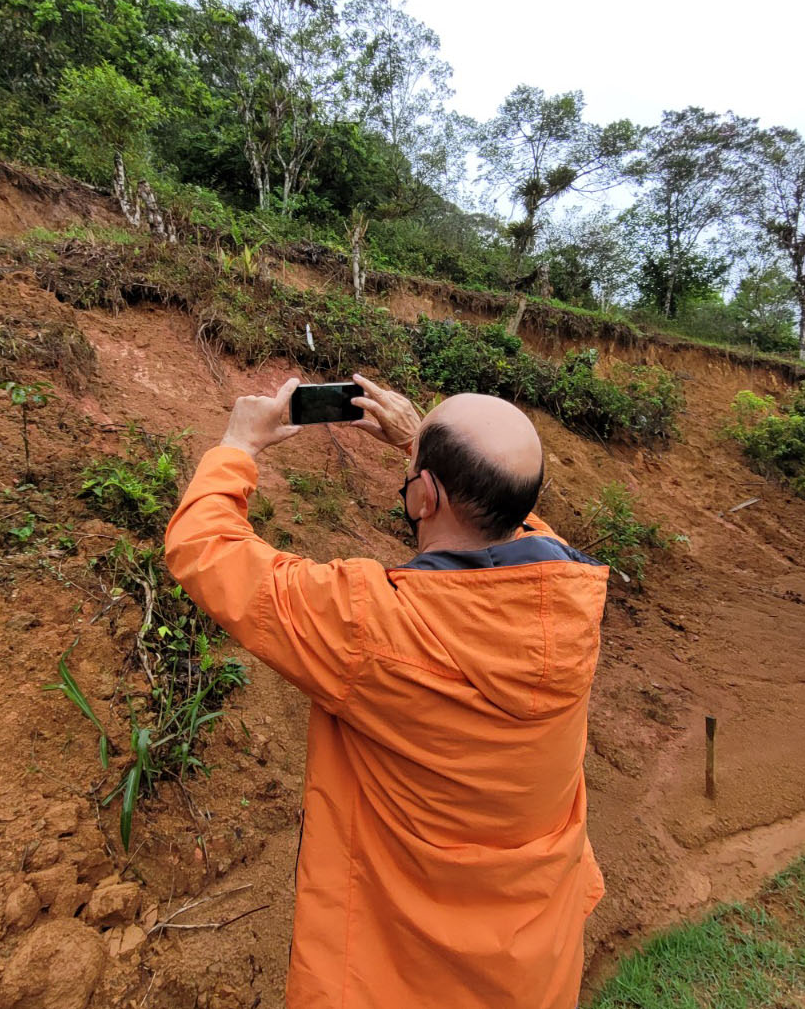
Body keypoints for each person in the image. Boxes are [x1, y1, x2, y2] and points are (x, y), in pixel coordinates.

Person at [163, 373, 608, 1009]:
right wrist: (414, 442)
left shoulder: (370, 625)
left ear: (423, 497)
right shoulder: (572, 599)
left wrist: (238, 445)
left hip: (407, 977)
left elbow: (204, 546)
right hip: (535, 962)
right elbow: (518, 524)